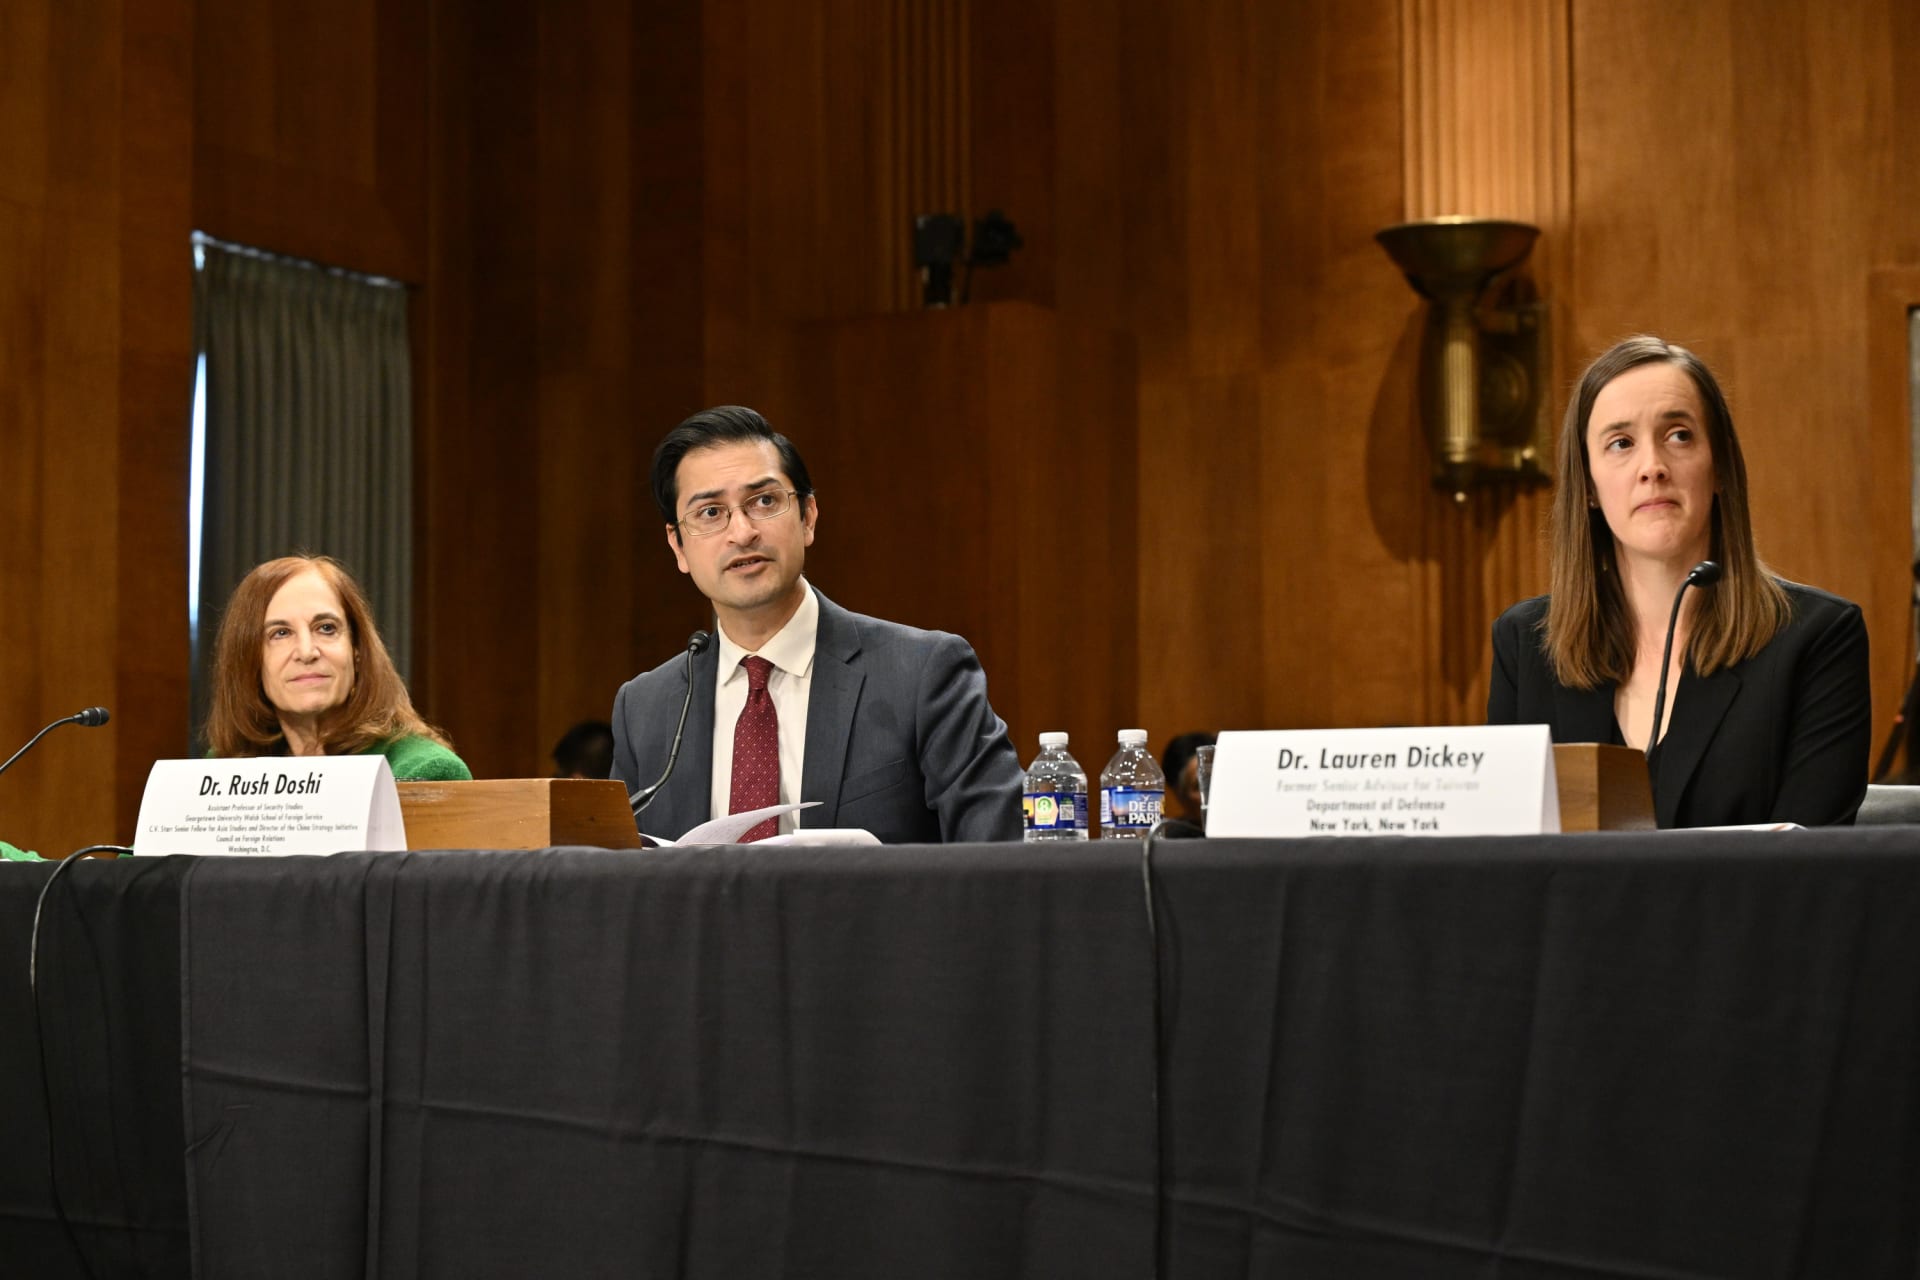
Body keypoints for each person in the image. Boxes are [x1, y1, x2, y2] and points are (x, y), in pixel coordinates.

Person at [1487, 335, 1870, 827]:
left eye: (1679, 435)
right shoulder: (1525, 645)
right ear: (1588, 486)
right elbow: (1506, 859)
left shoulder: (1817, 639)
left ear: (1721, 467)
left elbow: (1807, 873)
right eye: (1620, 444)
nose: (1653, 468)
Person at [610, 406, 1022, 843]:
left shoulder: (922, 674)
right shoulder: (645, 710)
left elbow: (997, 853)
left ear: (807, 516)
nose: (743, 532)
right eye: (711, 513)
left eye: (764, 501)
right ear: (677, 545)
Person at [205, 555, 472, 781]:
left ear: (357, 651)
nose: (307, 652)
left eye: (326, 628)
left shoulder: (421, 770)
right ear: (248, 659)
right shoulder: (222, 771)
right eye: (281, 633)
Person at [1160, 731, 1216, 825]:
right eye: (1200, 786)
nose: (1213, 793)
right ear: (1179, 794)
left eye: (1217, 781)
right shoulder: (1170, 837)